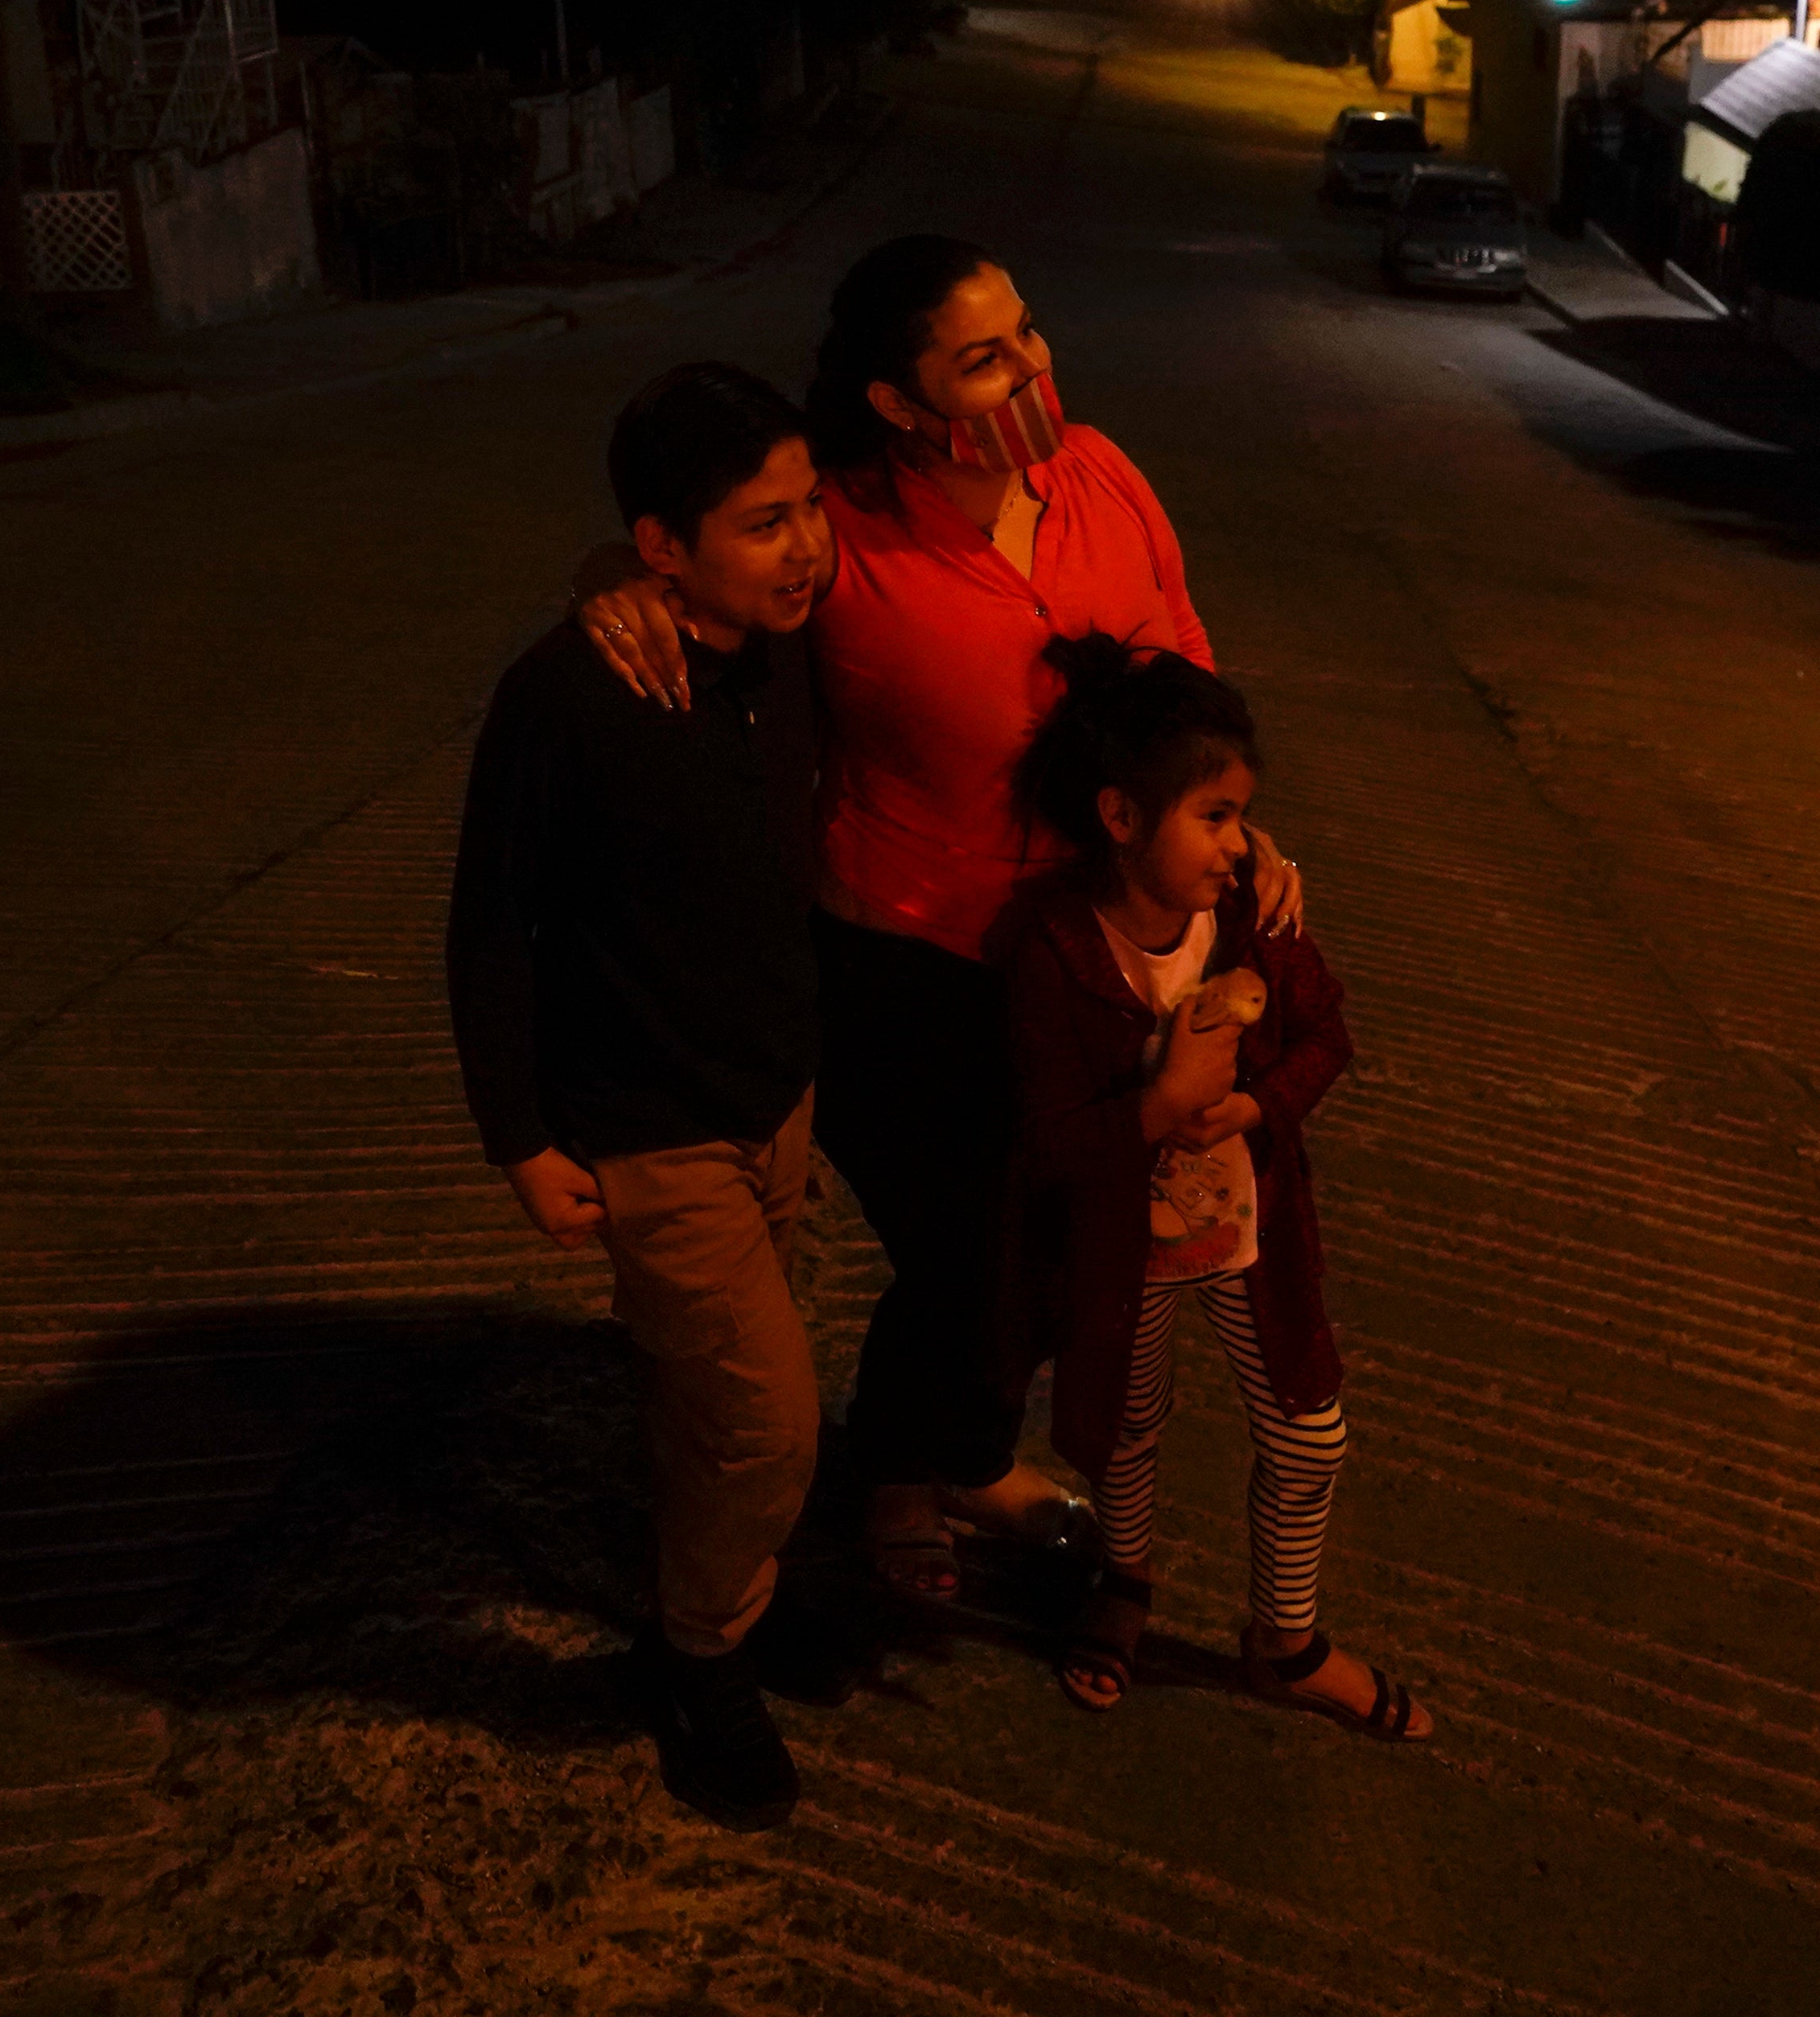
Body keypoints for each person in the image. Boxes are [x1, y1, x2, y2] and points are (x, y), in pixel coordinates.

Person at [583, 236, 1217, 1604]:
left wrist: (1231, 826)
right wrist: (618, 590)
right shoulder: (846, 531)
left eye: (1027, 334)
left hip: (1089, 953)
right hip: (908, 959)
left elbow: (1182, 654)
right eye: (981, 358)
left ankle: (967, 1451)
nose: (1028, 370)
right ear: (895, 397)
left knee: (1056, 1250)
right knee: (961, 1248)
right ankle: (893, 1477)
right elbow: (713, 572)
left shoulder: (1098, 475)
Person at [446, 363, 834, 1829]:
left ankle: (719, 1602)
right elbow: (492, 922)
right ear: (665, 546)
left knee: (700, 1400)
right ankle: (699, 1663)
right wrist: (523, 1137)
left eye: (809, 512)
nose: (804, 550)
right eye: (761, 524)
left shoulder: (780, 648)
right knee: (773, 1421)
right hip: (647, 1126)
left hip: (773, 1099)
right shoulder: (570, 694)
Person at [1003, 636, 1431, 1741]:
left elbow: (1327, 1035)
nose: (1241, 843)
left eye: (1242, 816)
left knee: (1310, 1434)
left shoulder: (1251, 917)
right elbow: (1042, 1143)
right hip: (1119, 1249)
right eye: (1217, 815)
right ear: (1121, 818)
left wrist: (1255, 1106)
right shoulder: (1052, 948)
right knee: (1126, 1424)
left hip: (1249, 1234)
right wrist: (1155, 1104)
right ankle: (1126, 1585)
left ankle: (1284, 1642)